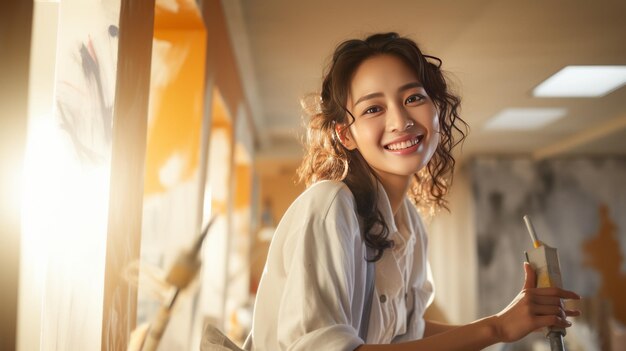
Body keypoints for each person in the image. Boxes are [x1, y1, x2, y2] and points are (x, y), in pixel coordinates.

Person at [248, 32, 580, 351]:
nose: (401, 120)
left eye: (413, 98)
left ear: (436, 109)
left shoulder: (411, 226)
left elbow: (406, 334)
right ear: (345, 135)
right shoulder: (330, 206)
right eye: (373, 109)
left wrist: (513, 322)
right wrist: (497, 327)